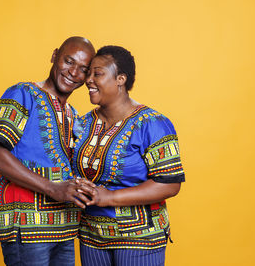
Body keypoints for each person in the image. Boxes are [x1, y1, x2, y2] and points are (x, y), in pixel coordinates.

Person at [0, 36, 96, 266]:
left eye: (83, 69)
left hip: (65, 229)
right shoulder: (22, 94)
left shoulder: (73, 114)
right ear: (54, 56)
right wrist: (52, 188)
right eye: (68, 61)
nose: (73, 72)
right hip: (28, 230)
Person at [71, 45, 185, 266]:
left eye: (98, 73)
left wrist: (109, 198)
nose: (88, 80)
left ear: (120, 79)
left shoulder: (152, 124)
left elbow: (170, 184)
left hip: (139, 239)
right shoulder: (82, 124)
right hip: (91, 236)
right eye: (89, 73)